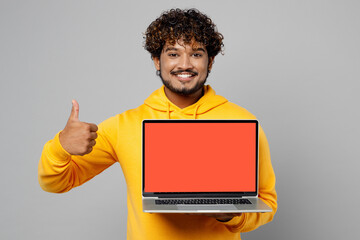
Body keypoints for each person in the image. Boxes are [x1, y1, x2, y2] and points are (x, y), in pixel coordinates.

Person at [38, 8, 277, 240]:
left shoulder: (242, 121)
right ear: (156, 61)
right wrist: (60, 147)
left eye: (196, 53)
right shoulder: (124, 126)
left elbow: (267, 201)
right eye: (173, 54)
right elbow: (55, 183)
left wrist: (233, 216)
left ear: (210, 61)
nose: (185, 64)